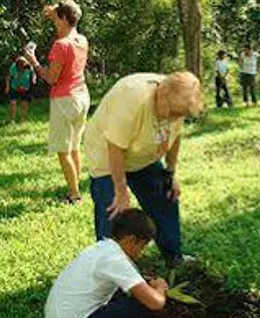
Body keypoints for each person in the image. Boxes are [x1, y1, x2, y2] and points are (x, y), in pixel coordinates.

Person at [83, 71, 203, 268]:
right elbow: (115, 148)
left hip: (142, 154)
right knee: (113, 211)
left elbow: (174, 137)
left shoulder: (179, 100)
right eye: (174, 113)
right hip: (107, 153)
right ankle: (109, 270)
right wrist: (121, 191)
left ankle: (174, 256)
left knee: (166, 195)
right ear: (162, 96)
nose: (176, 118)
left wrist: (170, 173)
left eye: (180, 115)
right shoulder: (133, 99)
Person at [45, 208, 169, 318]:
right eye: (142, 247)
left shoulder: (102, 247)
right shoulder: (116, 260)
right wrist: (160, 288)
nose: (141, 253)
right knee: (141, 303)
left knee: (124, 292)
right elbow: (155, 303)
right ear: (131, 240)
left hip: (58, 314)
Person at [24, 0, 90, 205]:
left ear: (63, 18)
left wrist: (33, 61)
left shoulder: (61, 45)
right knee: (74, 147)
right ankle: (75, 186)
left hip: (65, 100)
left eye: (57, 17)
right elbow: (65, 22)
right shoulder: (81, 39)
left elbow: (51, 78)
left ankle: (74, 195)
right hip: (82, 96)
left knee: (63, 150)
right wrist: (56, 13)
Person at [5, 56, 36, 124]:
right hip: (14, 87)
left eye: (22, 68)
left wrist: (34, 79)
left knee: (25, 104)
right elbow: (8, 77)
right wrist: (7, 87)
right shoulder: (13, 67)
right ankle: (12, 120)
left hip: (25, 87)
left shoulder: (29, 66)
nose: (21, 69)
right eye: (19, 68)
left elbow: (33, 74)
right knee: (13, 103)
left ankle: (22, 121)